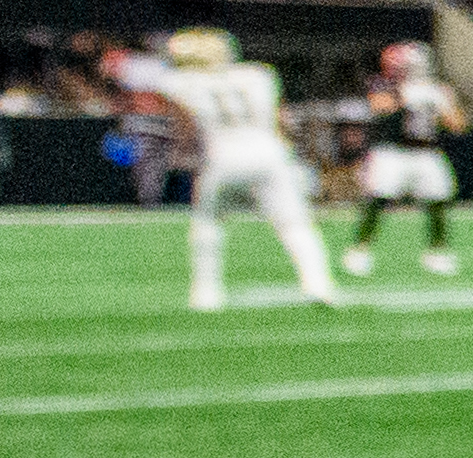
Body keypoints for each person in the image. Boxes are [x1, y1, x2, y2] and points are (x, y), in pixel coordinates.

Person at [130, 28, 345, 312]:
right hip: (270, 153)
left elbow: (179, 115)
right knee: (294, 223)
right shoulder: (259, 75)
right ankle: (318, 284)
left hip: (224, 156)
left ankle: (206, 294)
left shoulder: (180, 81)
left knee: (208, 221)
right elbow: (278, 118)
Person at [354, 39, 473, 276]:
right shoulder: (386, 85)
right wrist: (403, 98)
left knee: (438, 199)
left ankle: (437, 252)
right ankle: (360, 249)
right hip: (392, 151)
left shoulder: (437, 89)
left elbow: (459, 126)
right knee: (379, 199)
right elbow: (378, 106)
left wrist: (443, 104)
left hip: (426, 151)